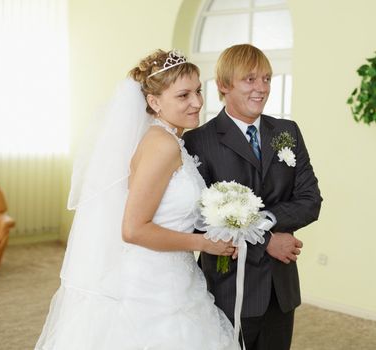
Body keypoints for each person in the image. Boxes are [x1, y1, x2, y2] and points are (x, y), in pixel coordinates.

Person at [36, 49, 240, 350]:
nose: (197, 101)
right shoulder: (162, 146)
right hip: (153, 287)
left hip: (174, 276)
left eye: (198, 90)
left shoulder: (170, 140)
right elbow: (133, 229)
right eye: (183, 95)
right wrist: (205, 243)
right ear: (154, 102)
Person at [183, 44, 323, 350]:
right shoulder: (197, 140)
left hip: (280, 288)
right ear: (223, 85)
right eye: (250, 79)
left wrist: (266, 224)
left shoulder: (288, 131)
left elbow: (311, 200)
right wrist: (268, 241)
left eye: (267, 79)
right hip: (227, 286)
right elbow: (199, 220)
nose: (261, 88)